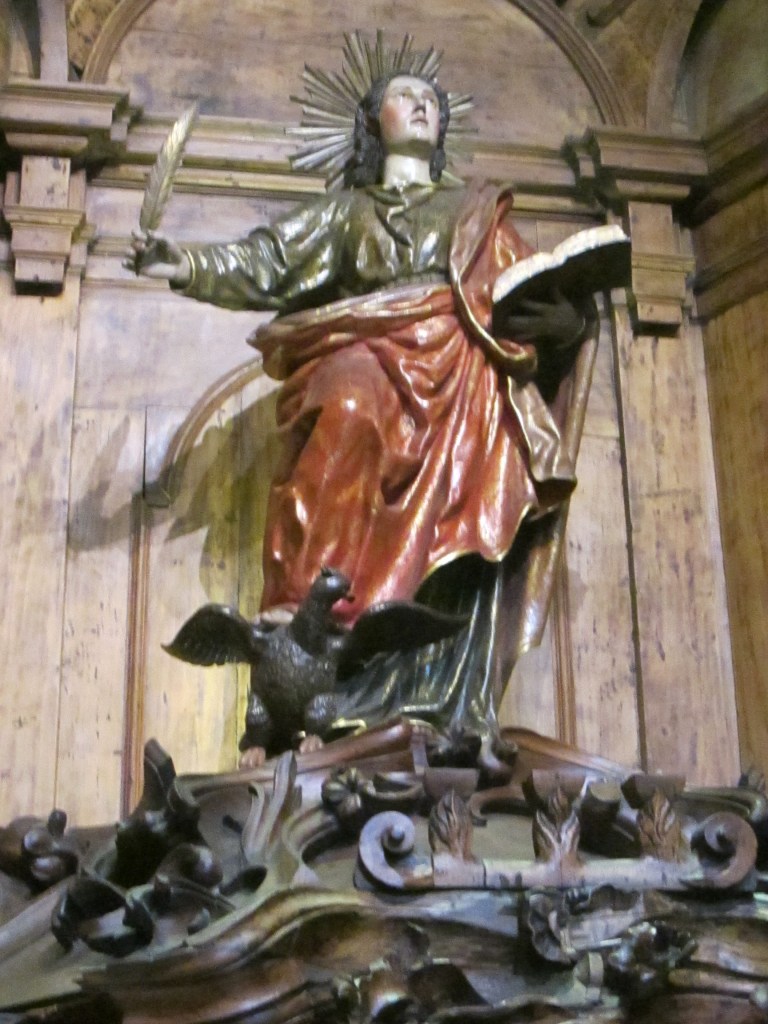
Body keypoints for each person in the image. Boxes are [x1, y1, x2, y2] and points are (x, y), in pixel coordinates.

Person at [126, 67, 597, 764]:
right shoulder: (349, 211)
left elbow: (528, 293)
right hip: (371, 356)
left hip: (461, 384)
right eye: (405, 97)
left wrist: (566, 320)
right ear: (374, 121)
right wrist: (188, 263)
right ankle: (313, 639)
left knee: (464, 512)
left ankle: (428, 689)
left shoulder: (475, 213)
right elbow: (271, 259)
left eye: (434, 100)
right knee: (345, 403)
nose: (423, 106)